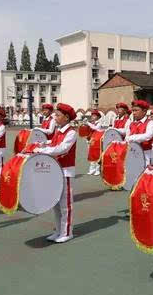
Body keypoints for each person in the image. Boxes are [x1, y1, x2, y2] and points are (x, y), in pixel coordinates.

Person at [34, 103, 78, 243]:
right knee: (56, 203)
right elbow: (53, 143)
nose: (55, 117)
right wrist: (42, 144)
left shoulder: (71, 132)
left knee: (66, 205)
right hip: (56, 171)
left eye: (58, 115)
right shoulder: (59, 131)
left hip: (66, 172)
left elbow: (62, 149)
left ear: (66, 117)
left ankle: (67, 232)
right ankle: (58, 230)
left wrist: (43, 150)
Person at [124, 100, 153, 165]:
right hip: (132, 152)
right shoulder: (131, 123)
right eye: (133, 110)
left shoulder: (150, 122)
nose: (134, 113)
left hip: (145, 153)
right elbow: (127, 136)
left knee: (144, 171)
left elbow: (148, 136)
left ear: (144, 111)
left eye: (136, 110)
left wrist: (132, 137)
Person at [86, 110, 104, 175]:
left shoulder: (99, 123)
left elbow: (95, 128)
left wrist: (88, 123)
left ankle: (97, 169)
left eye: (94, 115)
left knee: (97, 154)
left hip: (97, 141)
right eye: (92, 115)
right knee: (91, 154)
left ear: (98, 117)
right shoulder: (92, 123)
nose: (92, 117)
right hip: (92, 140)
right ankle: (92, 169)